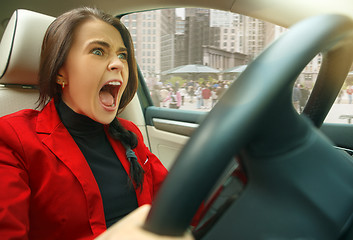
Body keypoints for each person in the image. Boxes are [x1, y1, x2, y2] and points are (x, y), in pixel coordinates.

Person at [0, 7, 188, 240]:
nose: (118, 64)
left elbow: (179, 201)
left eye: (122, 56)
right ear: (60, 72)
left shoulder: (128, 134)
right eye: (98, 51)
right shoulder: (12, 138)